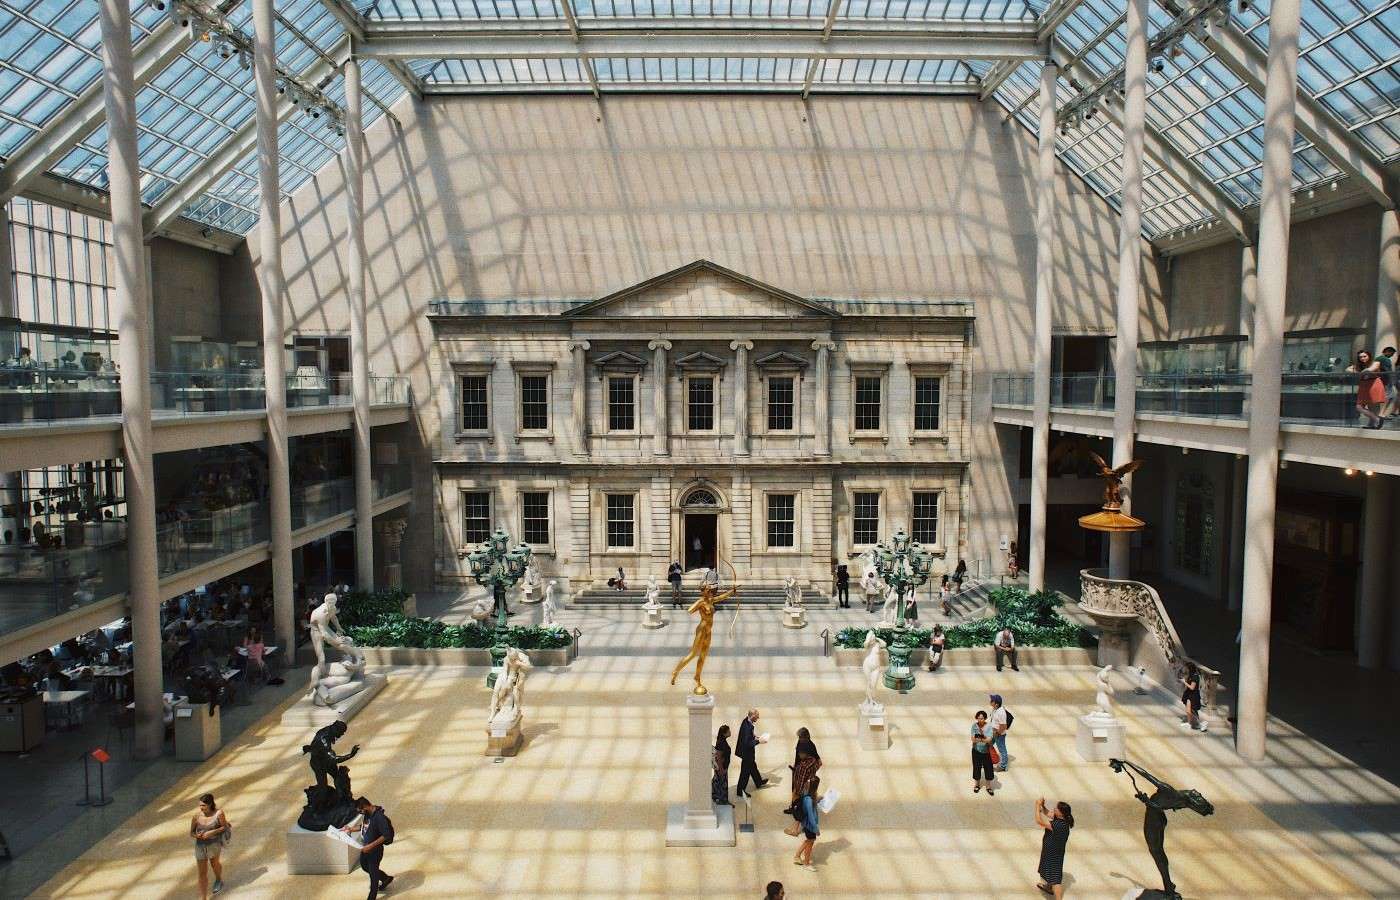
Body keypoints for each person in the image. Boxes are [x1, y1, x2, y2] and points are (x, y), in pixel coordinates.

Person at [342, 795, 394, 899]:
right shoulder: (368, 814)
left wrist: (370, 846)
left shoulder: (379, 818)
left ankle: (372, 896)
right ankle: (385, 878)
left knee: (373, 875)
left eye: (360, 811)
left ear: (365, 807)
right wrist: (351, 829)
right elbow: (364, 827)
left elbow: (386, 835)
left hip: (375, 851)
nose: (360, 813)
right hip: (365, 848)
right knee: (365, 866)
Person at [190, 792, 229, 898]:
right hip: (200, 846)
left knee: (214, 864)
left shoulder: (219, 813)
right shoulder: (196, 816)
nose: (201, 808)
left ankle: (218, 879)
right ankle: (203, 898)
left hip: (214, 845)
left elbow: (224, 827)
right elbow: (191, 832)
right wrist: (197, 835)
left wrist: (211, 832)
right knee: (202, 874)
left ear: (210, 804)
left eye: (203, 805)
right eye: (200, 805)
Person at [1034, 797, 1074, 898]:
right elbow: (1047, 813)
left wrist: (1037, 806)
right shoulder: (1061, 818)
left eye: (1056, 808)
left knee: (1056, 879)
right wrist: (1042, 806)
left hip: (1054, 854)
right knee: (1049, 870)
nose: (1054, 809)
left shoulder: (1059, 825)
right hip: (1051, 851)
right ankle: (1048, 887)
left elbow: (1039, 821)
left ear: (1061, 813)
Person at [1348, 349, 1386, 429]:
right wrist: (1357, 371)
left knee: (1373, 406)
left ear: (1369, 356)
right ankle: (1377, 419)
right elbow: (1347, 369)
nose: (1362, 358)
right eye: (1360, 357)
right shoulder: (1359, 365)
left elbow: (1369, 370)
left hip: (1374, 384)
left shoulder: (1376, 362)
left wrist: (1359, 372)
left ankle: (1372, 424)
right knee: (1359, 406)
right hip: (1364, 385)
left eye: (1364, 356)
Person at [736, 708, 769, 797]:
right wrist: (759, 741)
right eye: (757, 717)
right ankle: (740, 791)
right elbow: (747, 743)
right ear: (753, 716)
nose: (757, 719)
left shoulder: (746, 721)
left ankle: (758, 782)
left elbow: (748, 736)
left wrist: (754, 736)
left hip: (747, 753)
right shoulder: (747, 727)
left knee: (753, 768)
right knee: (745, 773)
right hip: (747, 754)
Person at [792, 774, 821, 867]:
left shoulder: (807, 795)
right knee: (810, 842)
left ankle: (797, 856)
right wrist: (816, 829)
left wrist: (818, 799)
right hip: (810, 825)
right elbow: (811, 816)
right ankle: (806, 862)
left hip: (806, 824)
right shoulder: (808, 799)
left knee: (809, 840)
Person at [971, 710, 996, 795]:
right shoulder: (974, 726)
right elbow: (973, 739)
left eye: (982, 718)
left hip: (986, 752)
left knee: (988, 768)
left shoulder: (989, 727)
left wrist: (980, 739)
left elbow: (989, 739)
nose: (980, 720)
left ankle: (988, 786)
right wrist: (983, 739)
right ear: (976, 718)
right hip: (976, 750)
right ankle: (977, 784)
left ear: (985, 718)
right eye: (978, 718)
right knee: (976, 767)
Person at [989, 693, 1011, 772]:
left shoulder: (1000, 712)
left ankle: (1003, 766)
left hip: (999, 734)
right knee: (988, 744)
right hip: (994, 732)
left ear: (996, 704)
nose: (990, 701)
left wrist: (997, 733)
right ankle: (990, 759)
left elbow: (1004, 726)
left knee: (1002, 750)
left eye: (992, 700)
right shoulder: (996, 709)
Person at [712, 724, 733, 806]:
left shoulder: (721, 740)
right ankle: (723, 800)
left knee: (717, 781)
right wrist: (722, 769)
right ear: (724, 733)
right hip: (722, 767)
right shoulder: (721, 743)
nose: (730, 732)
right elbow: (719, 757)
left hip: (720, 766)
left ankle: (715, 795)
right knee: (723, 784)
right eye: (728, 731)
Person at [1180, 664, 1203, 732]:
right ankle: (1189, 723)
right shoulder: (1190, 675)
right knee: (1188, 710)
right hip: (1189, 695)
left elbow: (1192, 688)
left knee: (1193, 710)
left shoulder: (1195, 677)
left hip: (1193, 695)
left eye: (1187, 668)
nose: (1186, 669)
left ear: (1190, 669)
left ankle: (1198, 724)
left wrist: (1184, 682)